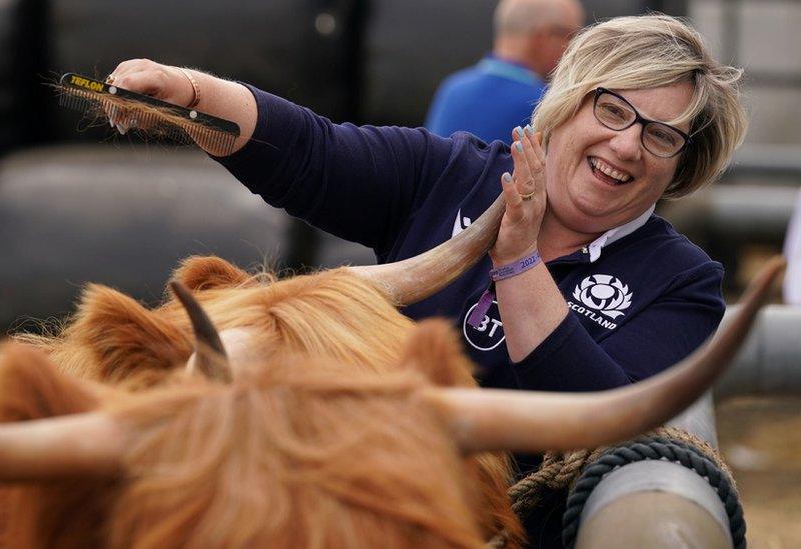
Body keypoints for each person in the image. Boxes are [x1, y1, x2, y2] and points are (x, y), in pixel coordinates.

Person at [106, 13, 747, 547]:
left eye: (662, 137)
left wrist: (519, 261)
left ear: (681, 167)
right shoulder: (451, 173)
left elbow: (604, 421)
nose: (628, 146)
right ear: (568, 104)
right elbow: (310, 154)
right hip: (346, 508)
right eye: (612, 110)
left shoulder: (683, 282)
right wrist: (188, 95)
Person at [425, 0, 584, 142]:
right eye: (571, 37)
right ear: (544, 37)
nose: (573, 49)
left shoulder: (452, 88)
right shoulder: (546, 103)